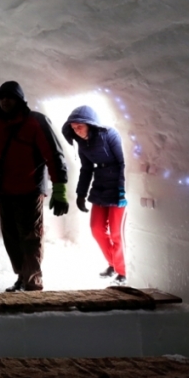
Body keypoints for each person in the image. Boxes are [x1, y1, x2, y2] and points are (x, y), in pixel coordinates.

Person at [0, 81, 69, 292]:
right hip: (5, 192)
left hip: (30, 191)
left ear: (20, 100)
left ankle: (33, 282)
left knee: (30, 238)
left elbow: (54, 155)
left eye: (10, 97)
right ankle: (22, 276)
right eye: (2, 97)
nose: (5, 101)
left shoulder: (35, 122)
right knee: (11, 238)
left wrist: (59, 189)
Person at [62, 105, 128, 284]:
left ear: (90, 124)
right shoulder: (82, 143)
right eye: (73, 127)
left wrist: (122, 190)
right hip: (99, 187)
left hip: (117, 187)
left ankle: (122, 272)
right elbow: (86, 169)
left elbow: (123, 163)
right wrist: (81, 194)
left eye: (80, 126)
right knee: (96, 229)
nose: (76, 130)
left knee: (116, 233)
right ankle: (113, 264)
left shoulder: (110, 134)